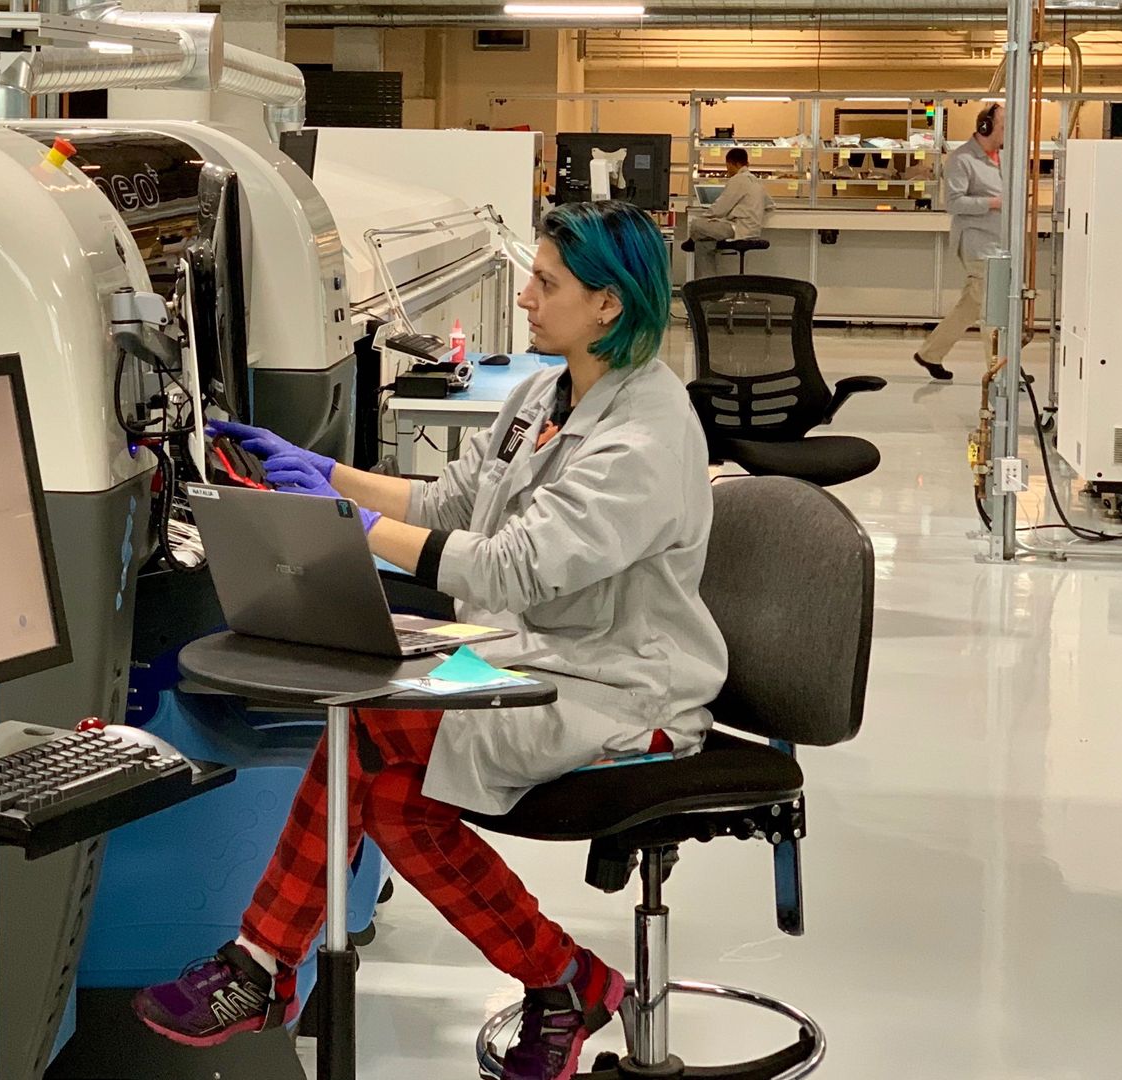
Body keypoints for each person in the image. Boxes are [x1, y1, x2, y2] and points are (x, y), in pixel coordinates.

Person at [133, 200, 729, 1080]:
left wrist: (341, 523)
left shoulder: (645, 434)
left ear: (609, 304)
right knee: (388, 783)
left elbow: (513, 568)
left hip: (622, 692)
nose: (525, 297)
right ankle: (562, 979)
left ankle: (261, 964)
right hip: (535, 658)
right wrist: (323, 472)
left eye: (546, 282)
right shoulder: (547, 391)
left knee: (368, 734)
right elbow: (453, 504)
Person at [915, 102, 1005, 381]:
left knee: (972, 305)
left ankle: (930, 353)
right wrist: (993, 203)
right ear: (986, 127)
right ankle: (999, 371)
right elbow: (953, 203)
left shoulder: (1003, 158)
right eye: (1004, 127)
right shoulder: (961, 159)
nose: (1008, 133)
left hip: (999, 242)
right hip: (978, 244)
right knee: (992, 306)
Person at [687, 147, 773, 278]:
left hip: (737, 229)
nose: (727, 170)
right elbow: (770, 204)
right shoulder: (756, 181)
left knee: (695, 225)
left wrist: (705, 219)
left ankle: (708, 287)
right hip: (752, 230)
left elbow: (721, 207)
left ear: (736, 164)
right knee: (703, 245)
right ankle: (710, 287)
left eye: (728, 166)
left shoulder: (738, 179)